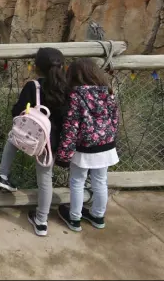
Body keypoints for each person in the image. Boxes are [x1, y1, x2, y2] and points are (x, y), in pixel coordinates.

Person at [0, 47, 68, 237]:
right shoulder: (67, 88)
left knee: (12, 136)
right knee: (45, 180)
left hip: (29, 136)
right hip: (49, 144)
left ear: (36, 67)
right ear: (63, 66)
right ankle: (42, 221)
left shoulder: (33, 86)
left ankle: (3, 176)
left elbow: (17, 112)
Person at [56, 58, 119, 232]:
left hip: (84, 147)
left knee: (77, 181)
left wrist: (64, 153)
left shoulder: (75, 95)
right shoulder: (108, 92)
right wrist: (110, 139)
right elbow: (115, 120)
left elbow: (71, 126)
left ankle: (74, 218)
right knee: (100, 181)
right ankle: (98, 216)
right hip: (106, 145)